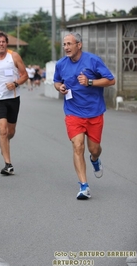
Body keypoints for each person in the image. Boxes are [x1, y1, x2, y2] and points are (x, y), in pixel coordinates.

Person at [53, 31, 115, 200]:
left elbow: (111, 80)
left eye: (69, 44)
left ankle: (95, 159)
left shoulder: (92, 60)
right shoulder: (61, 64)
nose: (66, 47)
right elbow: (56, 81)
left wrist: (90, 82)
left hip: (94, 112)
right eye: (64, 44)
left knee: (94, 149)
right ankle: (84, 186)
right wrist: (60, 88)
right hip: (73, 112)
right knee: (78, 145)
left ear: (78, 45)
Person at [0, 32, 28, 176]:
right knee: (2, 130)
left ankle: (5, 142)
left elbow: (25, 75)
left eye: (3, 41)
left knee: (10, 132)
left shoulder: (14, 56)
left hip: (13, 99)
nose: (1, 44)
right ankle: (8, 164)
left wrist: (15, 83)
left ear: (7, 43)